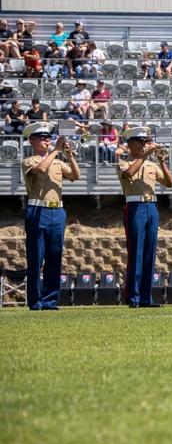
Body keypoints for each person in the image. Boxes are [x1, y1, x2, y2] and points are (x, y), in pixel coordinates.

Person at [22, 122, 80, 311]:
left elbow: (75, 176)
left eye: (48, 137)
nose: (47, 140)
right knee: (36, 258)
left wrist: (69, 155)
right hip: (38, 211)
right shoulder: (29, 161)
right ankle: (35, 301)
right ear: (32, 141)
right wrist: (56, 150)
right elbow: (40, 169)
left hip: (57, 212)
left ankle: (50, 300)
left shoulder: (57, 161)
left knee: (55, 257)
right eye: (42, 138)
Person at [117, 126, 172, 308]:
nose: (144, 144)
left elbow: (169, 183)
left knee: (150, 253)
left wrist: (162, 162)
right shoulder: (123, 163)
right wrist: (145, 155)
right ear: (130, 144)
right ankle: (132, 296)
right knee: (136, 252)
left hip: (152, 206)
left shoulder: (151, 165)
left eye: (145, 142)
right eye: (140, 142)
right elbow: (128, 174)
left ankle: (145, 297)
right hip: (134, 206)